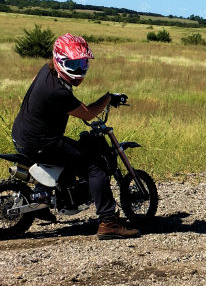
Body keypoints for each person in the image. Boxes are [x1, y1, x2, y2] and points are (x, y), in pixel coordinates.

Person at [11, 33, 138, 240]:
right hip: (41, 143)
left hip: (24, 135)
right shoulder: (58, 93)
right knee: (94, 167)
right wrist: (108, 98)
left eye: (83, 64)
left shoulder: (46, 71)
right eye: (74, 64)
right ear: (60, 61)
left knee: (70, 156)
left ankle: (41, 203)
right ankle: (108, 222)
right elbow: (87, 113)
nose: (80, 70)